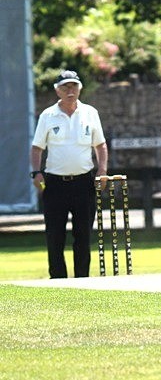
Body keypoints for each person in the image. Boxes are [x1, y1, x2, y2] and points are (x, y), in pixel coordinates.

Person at [31, 70, 108, 278]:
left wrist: (102, 171)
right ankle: (58, 280)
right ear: (57, 91)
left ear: (80, 88)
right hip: (55, 184)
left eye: (73, 86)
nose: (70, 91)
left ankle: (82, 279)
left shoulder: (90, 113)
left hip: (84, 183)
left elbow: (100, 145)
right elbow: (37, 148)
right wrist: (36, 173)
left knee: (83, 235)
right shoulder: (48, 115)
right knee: (54, 236)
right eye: (65, 87)